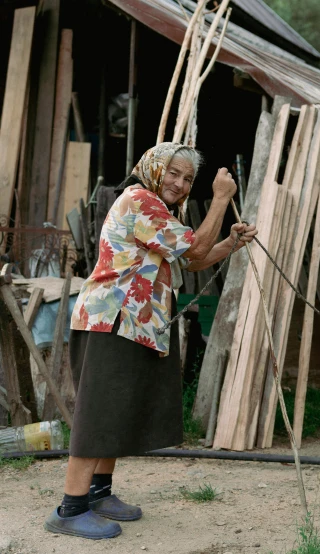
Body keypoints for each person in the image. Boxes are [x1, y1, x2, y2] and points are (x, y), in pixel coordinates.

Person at [44, 142, 258, 540]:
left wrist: (230, 242)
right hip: (113, 318)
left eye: (188, 179)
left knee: (118, 409)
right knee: (99, 411)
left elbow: (192, 259)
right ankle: (70, 508)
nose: (179, 183)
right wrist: (221, 199)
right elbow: (195, 247)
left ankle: (99, 493)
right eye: (174, 173)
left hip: (134, 321)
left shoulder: (157, 209)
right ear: (155, 168)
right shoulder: (140, 199)